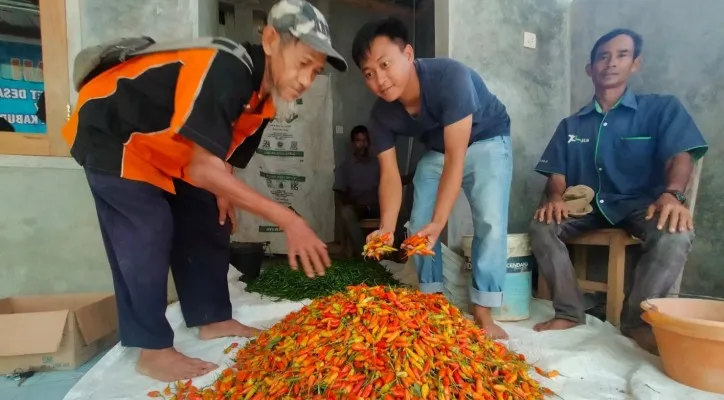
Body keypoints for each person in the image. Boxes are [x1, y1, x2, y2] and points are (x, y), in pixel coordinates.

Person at [62, 0, 347, 382]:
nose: (305, 79)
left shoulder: (262, 104)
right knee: (147, 227)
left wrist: (223, 193)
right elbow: (201, 166)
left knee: (209, 211)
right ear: (269, 40)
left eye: (315, 71)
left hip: (167, 147)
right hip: (112, 132)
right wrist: (286, 218)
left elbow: (220, 156)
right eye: (302, 63)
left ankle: (211, 316)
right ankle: (152, 348)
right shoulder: (227, 67)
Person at [529, 29, 708, 354]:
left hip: (643, 204)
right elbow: (557, 173)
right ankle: (570, 312)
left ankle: (637, 322)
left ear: (635, 63)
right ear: (590, 68)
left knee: (675, 234)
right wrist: (556, 197)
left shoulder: (660, 109)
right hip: (586, 206)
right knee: (541, 226)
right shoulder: (571, 125)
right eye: (602, 56)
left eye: (622, 55)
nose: (611, 63)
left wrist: (673, 194)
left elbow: (682, 156)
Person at [352, 17, 513, 339]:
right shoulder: (381, 114)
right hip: (440, 150)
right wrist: (386, 227)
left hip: (485, 140)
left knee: (490, 222)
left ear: (408, 54)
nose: (380, 80)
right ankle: (432, 299)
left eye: (385, 65)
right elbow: (390, 175)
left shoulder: (449, 77)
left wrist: (441, 223)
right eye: (369, 74)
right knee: (418, 221)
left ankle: (483, 309)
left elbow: (457, 157)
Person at [334, 125, 381, 253]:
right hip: (359, 206)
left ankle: (390, 254)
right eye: (358, 141)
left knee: (397, 211)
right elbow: (339, 190)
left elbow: (393, 181)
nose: (363, 144)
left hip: (379, 205)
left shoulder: (379, 163)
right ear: (352, 144)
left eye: (365, 140)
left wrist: (413, 176)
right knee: (346, 213)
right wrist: (352, 202)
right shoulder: (345, 166)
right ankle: (363, 253)